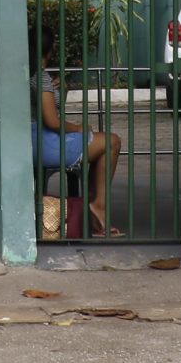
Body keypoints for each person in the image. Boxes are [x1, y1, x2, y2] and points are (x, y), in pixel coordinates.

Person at [34, 47, 124, 237]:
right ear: (49, 52)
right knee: (111, 142)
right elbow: (52, 121)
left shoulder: (30, 73)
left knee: (101, 143)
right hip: (43, 142)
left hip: (36, 139)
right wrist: (79, 128)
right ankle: (97, 205)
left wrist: (62, 89)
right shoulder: (39, 76)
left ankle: (91, 206)